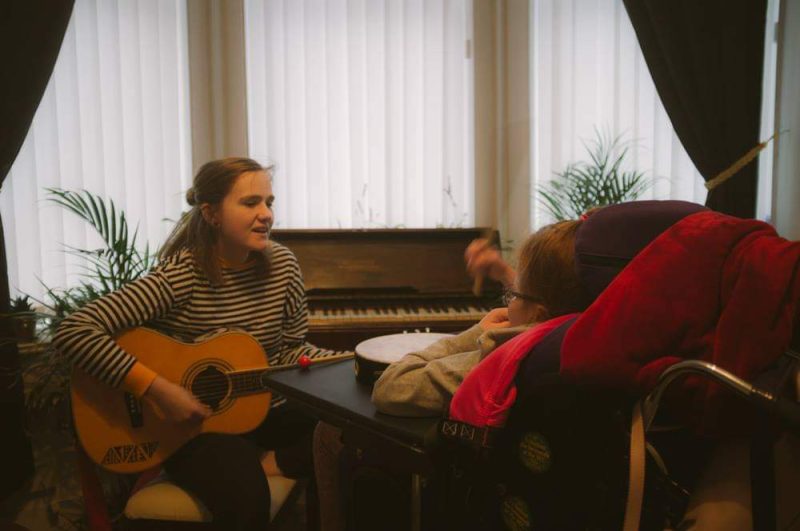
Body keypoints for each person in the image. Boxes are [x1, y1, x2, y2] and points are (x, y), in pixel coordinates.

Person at [54, 157, 343, 530]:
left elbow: (288, 351)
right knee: (247, 500)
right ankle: (259, 467)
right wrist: (157, 390)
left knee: (355, 430)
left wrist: (354, 361)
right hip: (192, 430)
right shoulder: (182, 274)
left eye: (269, 202)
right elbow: (74, 330)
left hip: (266, 410)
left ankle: (276, 461)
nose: (266, 214)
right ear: (211, 213)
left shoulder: (283, 265)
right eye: (250, 202)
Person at [313, 218, 589, 531]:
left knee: (328, 430)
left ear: (535, 311)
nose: (508, 300)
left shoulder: (501, 360)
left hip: (456, 471)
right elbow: (539, 306)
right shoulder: (577, 339)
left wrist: (474, 334)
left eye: (512, 295)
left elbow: (391, 386)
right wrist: (505, 275)